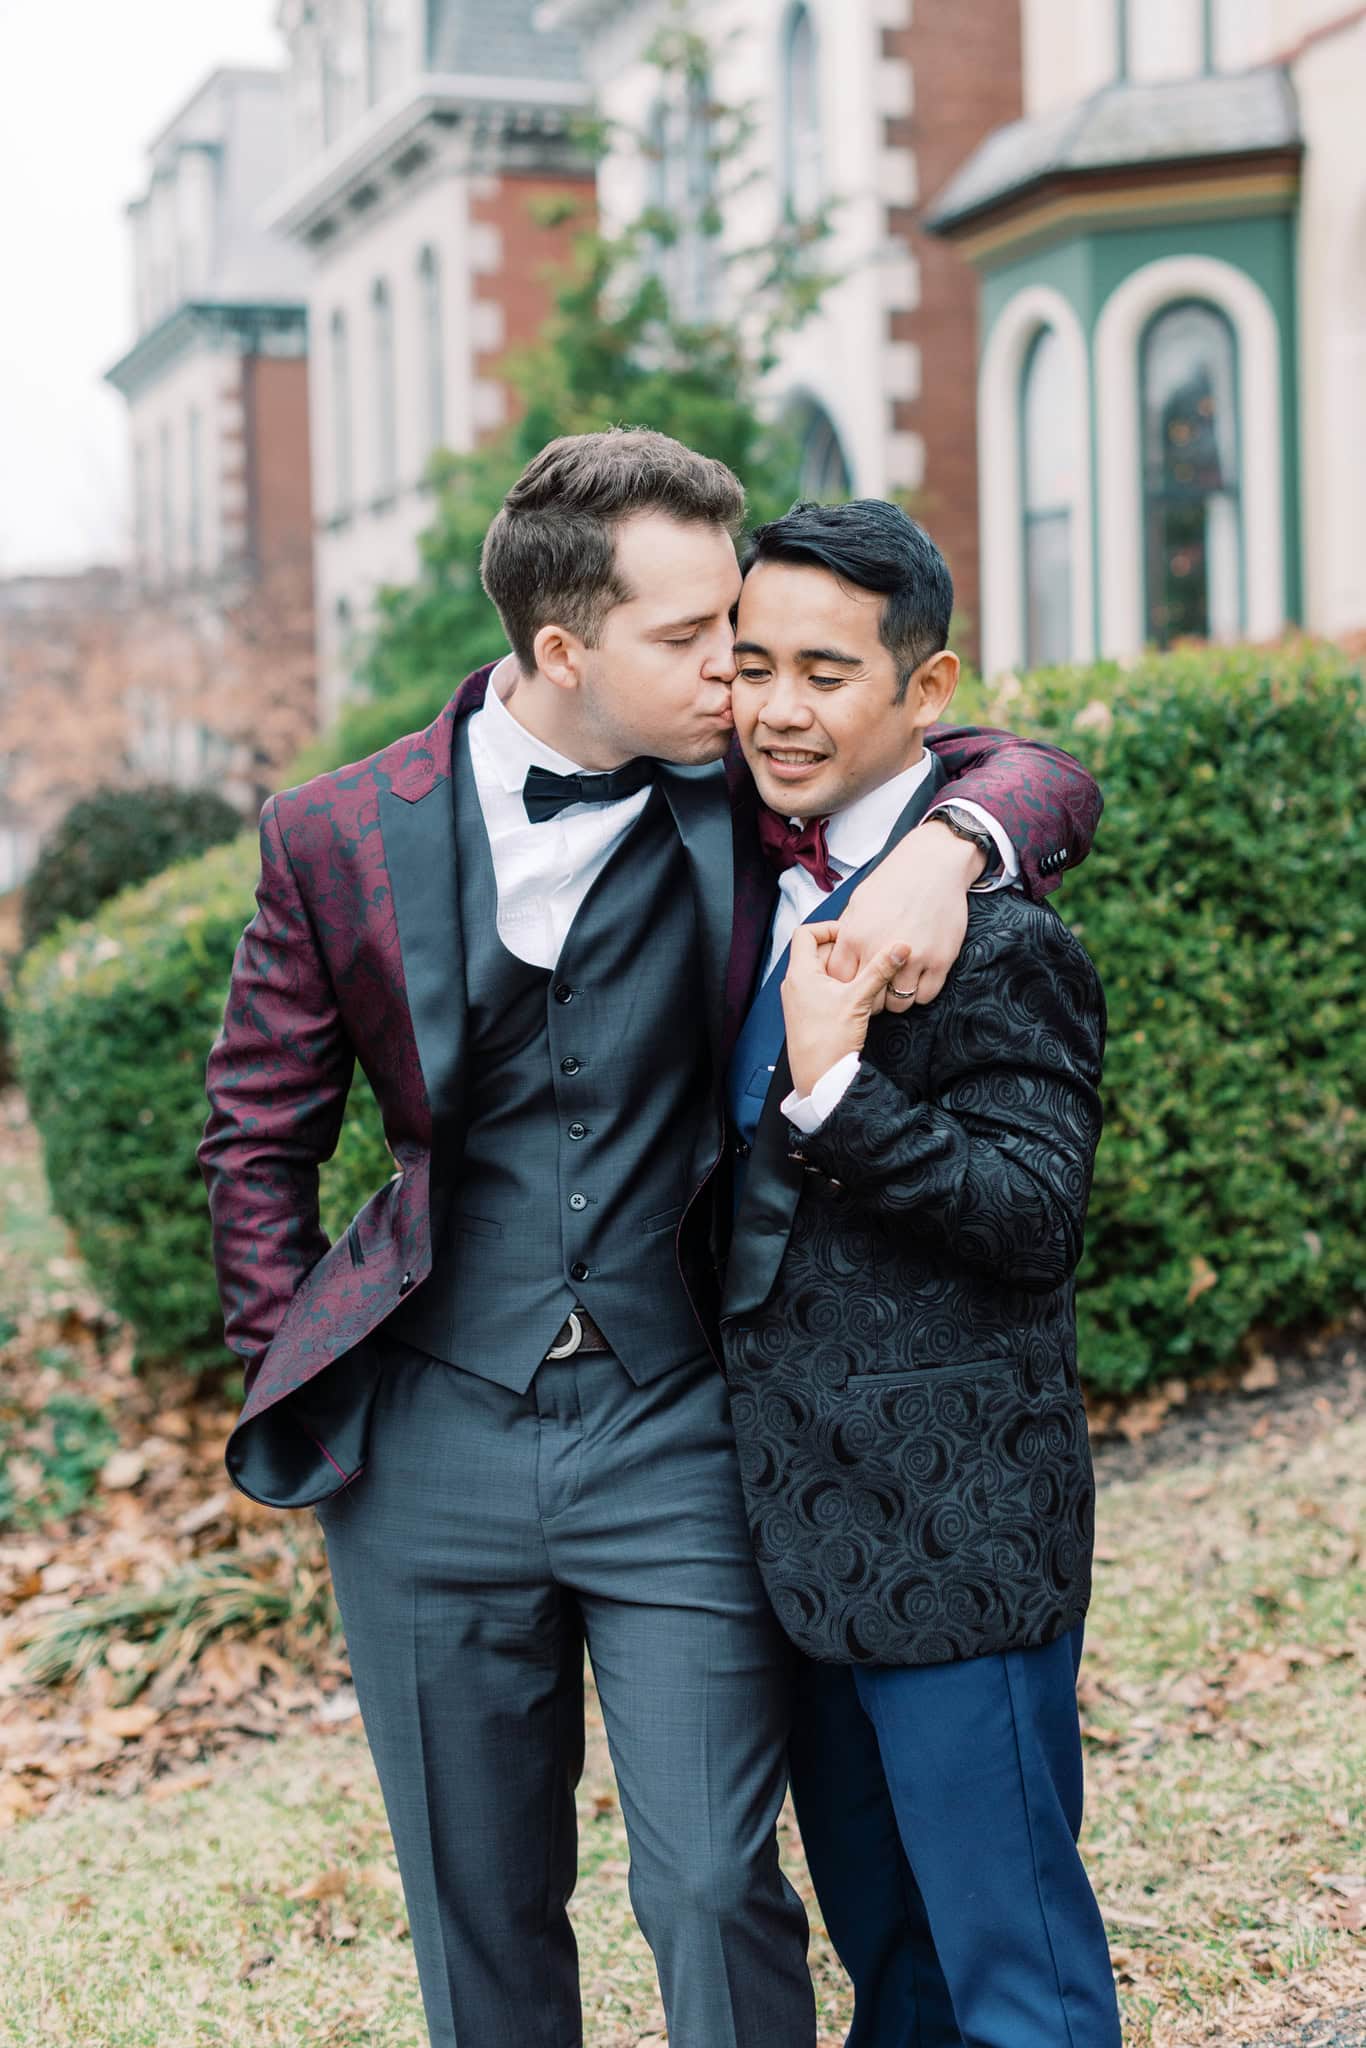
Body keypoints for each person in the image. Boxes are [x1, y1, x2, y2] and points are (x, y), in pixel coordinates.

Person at [198, 430, 1103, 2048]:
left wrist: (952, 855)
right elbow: (253, 1132)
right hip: (421, 1439)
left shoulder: (731, 800)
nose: (741, 684)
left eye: (750, 642)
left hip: (672, 1421)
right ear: (565, 649)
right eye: (699, 641)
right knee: (473, 1908)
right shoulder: (333, 835)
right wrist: (297, 1384)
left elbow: (1016, 765)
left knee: (706, 1882)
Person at [721, 496, 1120, 2047]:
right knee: (888, 1972)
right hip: (797, 1541)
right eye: (752, 666)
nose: (776, 708)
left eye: (825, 670)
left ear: (925, 692)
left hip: (958, 1533)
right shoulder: (736, 875)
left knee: (1010, 1972)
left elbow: (1031, 1216)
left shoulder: (1000, 940)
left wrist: (837, 1098)